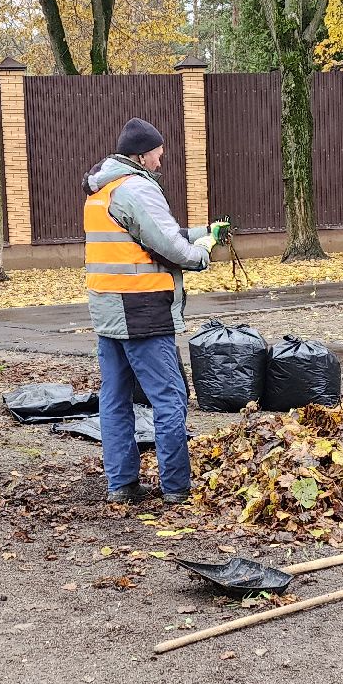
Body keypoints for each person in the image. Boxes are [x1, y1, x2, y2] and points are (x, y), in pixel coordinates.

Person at [83, 117, 226, 504]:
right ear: (142, 155)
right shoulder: (137, 189)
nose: (161, 163)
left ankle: (122, 485)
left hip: (108, 310)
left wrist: (203, 231)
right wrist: (202, 252)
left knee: (114, 400)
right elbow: (171, 248)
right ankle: (177, 489)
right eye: (159, 155)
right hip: (143, 310)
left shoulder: (103, 190)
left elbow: (146, 236)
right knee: (170, 399)